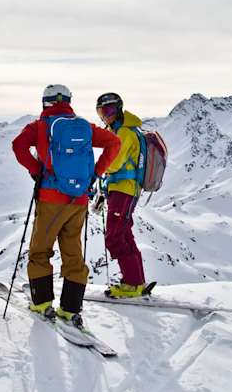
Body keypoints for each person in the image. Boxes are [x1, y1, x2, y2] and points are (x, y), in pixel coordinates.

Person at [11, 84, 120, 328]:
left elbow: (18, 146)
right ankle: (70, 309)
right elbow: (114, 143)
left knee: (40, 250)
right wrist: (95, 174)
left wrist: (37, 170)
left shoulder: (40, 126)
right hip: (79, 199)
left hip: (51, 197)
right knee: (73, 252)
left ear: (44, 102)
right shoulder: (84, 127)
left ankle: (41, 303)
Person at [94, 92, 149, 297]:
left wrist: (100, 168)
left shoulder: (124, 133)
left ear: (118, 110)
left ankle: (132, 285)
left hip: (125, 190)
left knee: (115, 237)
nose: (104, 116)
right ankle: (136, 282)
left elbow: (115, 163)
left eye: (108, 111)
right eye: (101, 112)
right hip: (121, 190)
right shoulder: (118, 130)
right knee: (124, 234)